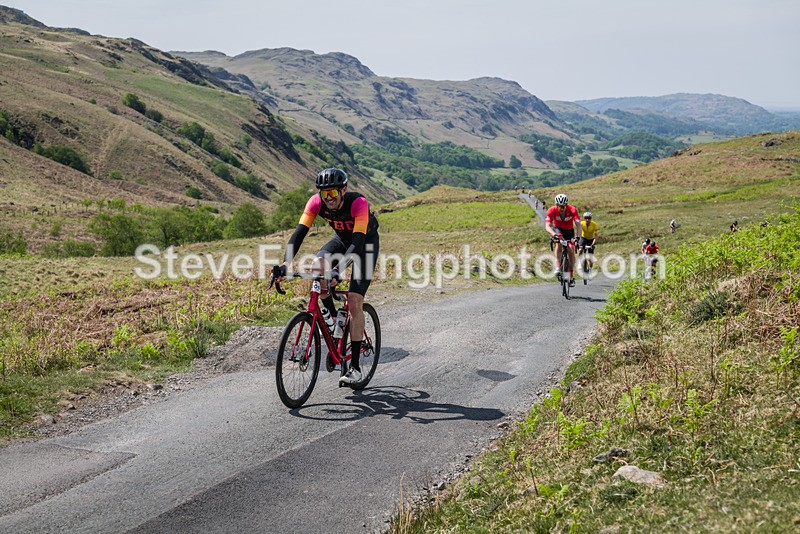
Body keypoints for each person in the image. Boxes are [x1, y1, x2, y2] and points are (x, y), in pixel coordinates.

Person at [277, 168, 380, 386]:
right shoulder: (315, 203)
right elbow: (299, 233)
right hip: (342, 241)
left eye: (333, 193)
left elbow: (358, 243)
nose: (329, 199)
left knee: (353, 301)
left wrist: (339, 269)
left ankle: (355, 367)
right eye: (325, 194)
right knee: (317, 266)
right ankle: (334, 319)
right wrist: (286, 263)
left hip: (364, 246)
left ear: (344, 190)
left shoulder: (358, 203)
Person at [545, 194, 582, 286]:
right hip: (558, 229)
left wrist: (577, 237)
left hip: (569, 231)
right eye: (560, 206)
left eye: (564, 206)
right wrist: (554, 235)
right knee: (559, 243)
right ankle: (557, 267)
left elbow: (578, 225)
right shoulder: (551, 210)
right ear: (556, 205)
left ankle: (571, 273)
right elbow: (547, 226)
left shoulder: (573, 210)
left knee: (571, 249)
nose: (562, 208)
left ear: (567, 205)